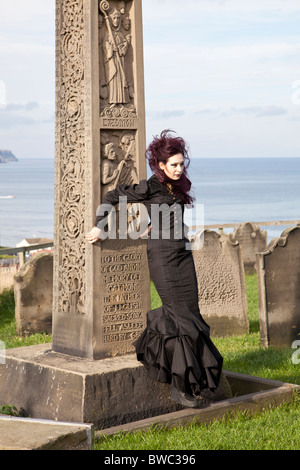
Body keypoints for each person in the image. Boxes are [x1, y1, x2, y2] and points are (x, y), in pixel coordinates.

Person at [86, 130, 223, 408]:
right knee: (179, 317)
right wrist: (99, 227)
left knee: (191, 314)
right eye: (173, 165)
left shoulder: (178, 185)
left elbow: (171, 216)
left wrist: (155, 225)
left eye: (181, 164)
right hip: (162, 259)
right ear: (160, 165)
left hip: (183, 255)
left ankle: (193, 380)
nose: (179, 169)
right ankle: (179, 387)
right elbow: (113, 197)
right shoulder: (149, 187)